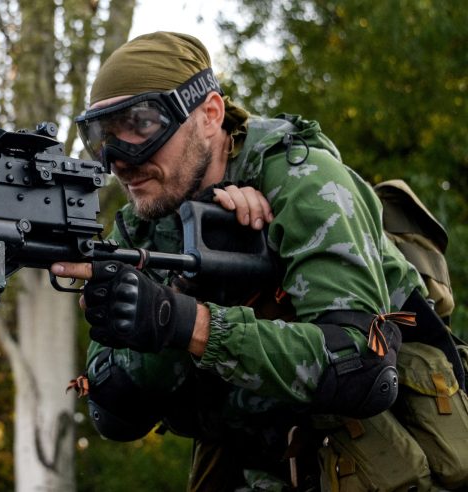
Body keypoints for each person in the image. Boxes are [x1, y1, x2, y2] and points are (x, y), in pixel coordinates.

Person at [51, 31, 433, 490]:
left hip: (374, 465)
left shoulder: (302, 181)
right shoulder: (143, 224)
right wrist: (162, 309)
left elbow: (365, 369)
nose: (120, 161)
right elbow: (115, 417)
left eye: (140, 125)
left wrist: (186, 322)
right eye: (101, 137)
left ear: (210, 114)